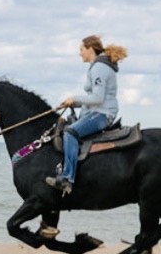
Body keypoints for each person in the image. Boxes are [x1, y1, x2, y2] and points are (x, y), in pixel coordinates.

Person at [45, 35, 127, 195]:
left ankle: (68, 179)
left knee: (70, 133)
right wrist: (74, 103)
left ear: (90, 49)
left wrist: (74, 99)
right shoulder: (97, 66)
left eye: (81, 49)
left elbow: (97, 98)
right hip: (96, 111)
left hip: (102, 114)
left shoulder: (99, 68)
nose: (80, 53)